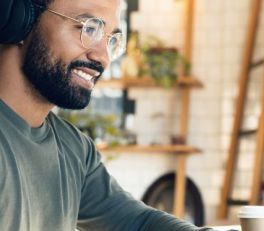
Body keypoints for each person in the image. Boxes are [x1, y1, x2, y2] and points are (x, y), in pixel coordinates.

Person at [0, 0, 224, 230]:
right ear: (20, 20)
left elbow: (136, 222)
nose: (103, 57)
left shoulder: (74, 149)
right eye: (88, 27)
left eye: (111, 39)